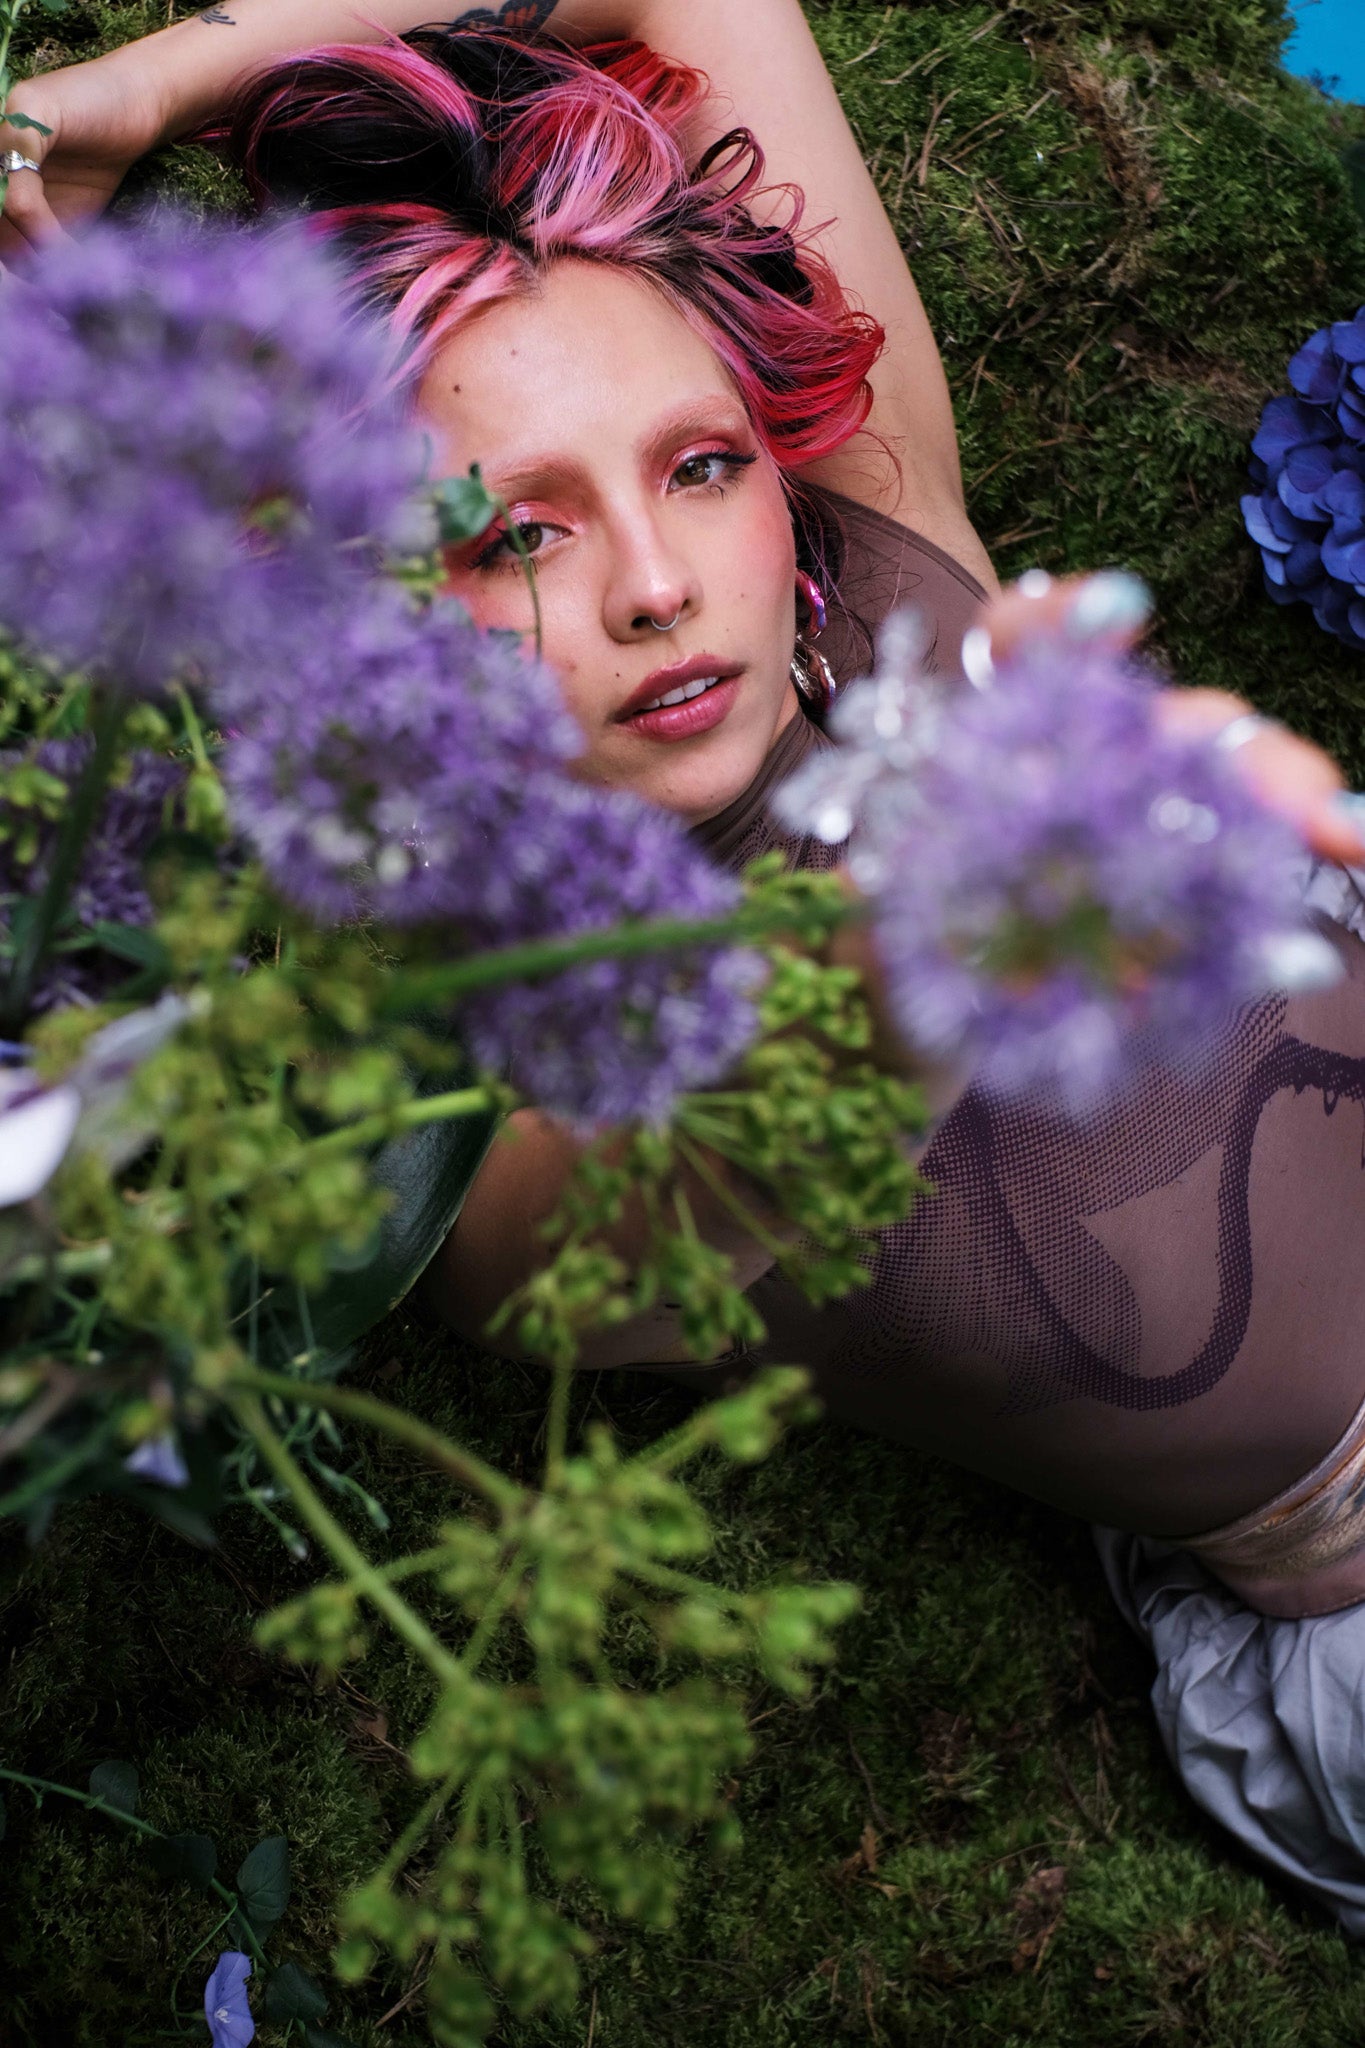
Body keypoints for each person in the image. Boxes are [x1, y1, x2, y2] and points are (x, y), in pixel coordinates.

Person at [11, 0, 1365, 1940]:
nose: (655, 580)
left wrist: (138, 87)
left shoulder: (876, 553)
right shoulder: (499, 1117)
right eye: (510, 532)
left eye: (699, 463)